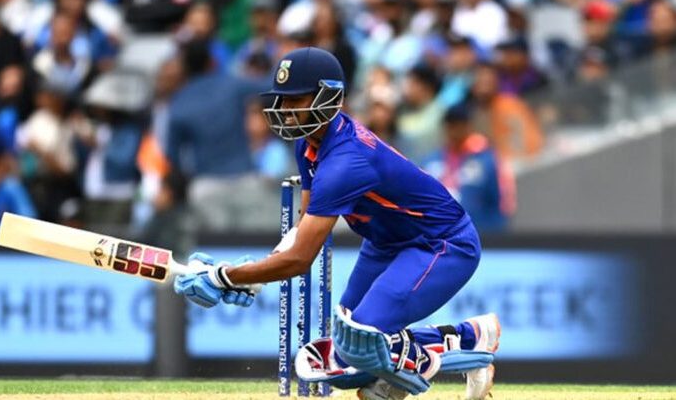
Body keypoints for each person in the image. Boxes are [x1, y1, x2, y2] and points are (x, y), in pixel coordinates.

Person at [172, 47, 500, 400]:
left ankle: (446, 350)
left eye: (296, 100)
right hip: (385, 243)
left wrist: (224, 277)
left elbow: (300, 260)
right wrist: (254, 276)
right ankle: (441, 349)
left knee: (360, 345)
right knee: (344, 350)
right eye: (282, 100)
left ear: (329, 98)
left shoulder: (345, 162)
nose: (285, 110)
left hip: (442, 243)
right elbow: (302, 229)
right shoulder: (307, 143)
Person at [421, 103, 515, 232]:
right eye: (451, 124)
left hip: (481, 232)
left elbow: (501, 202)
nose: (456, 129)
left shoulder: (486, 160)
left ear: (468, 125)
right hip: (441, 234)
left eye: (461, 123)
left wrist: (495, 233)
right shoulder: (431, 162)